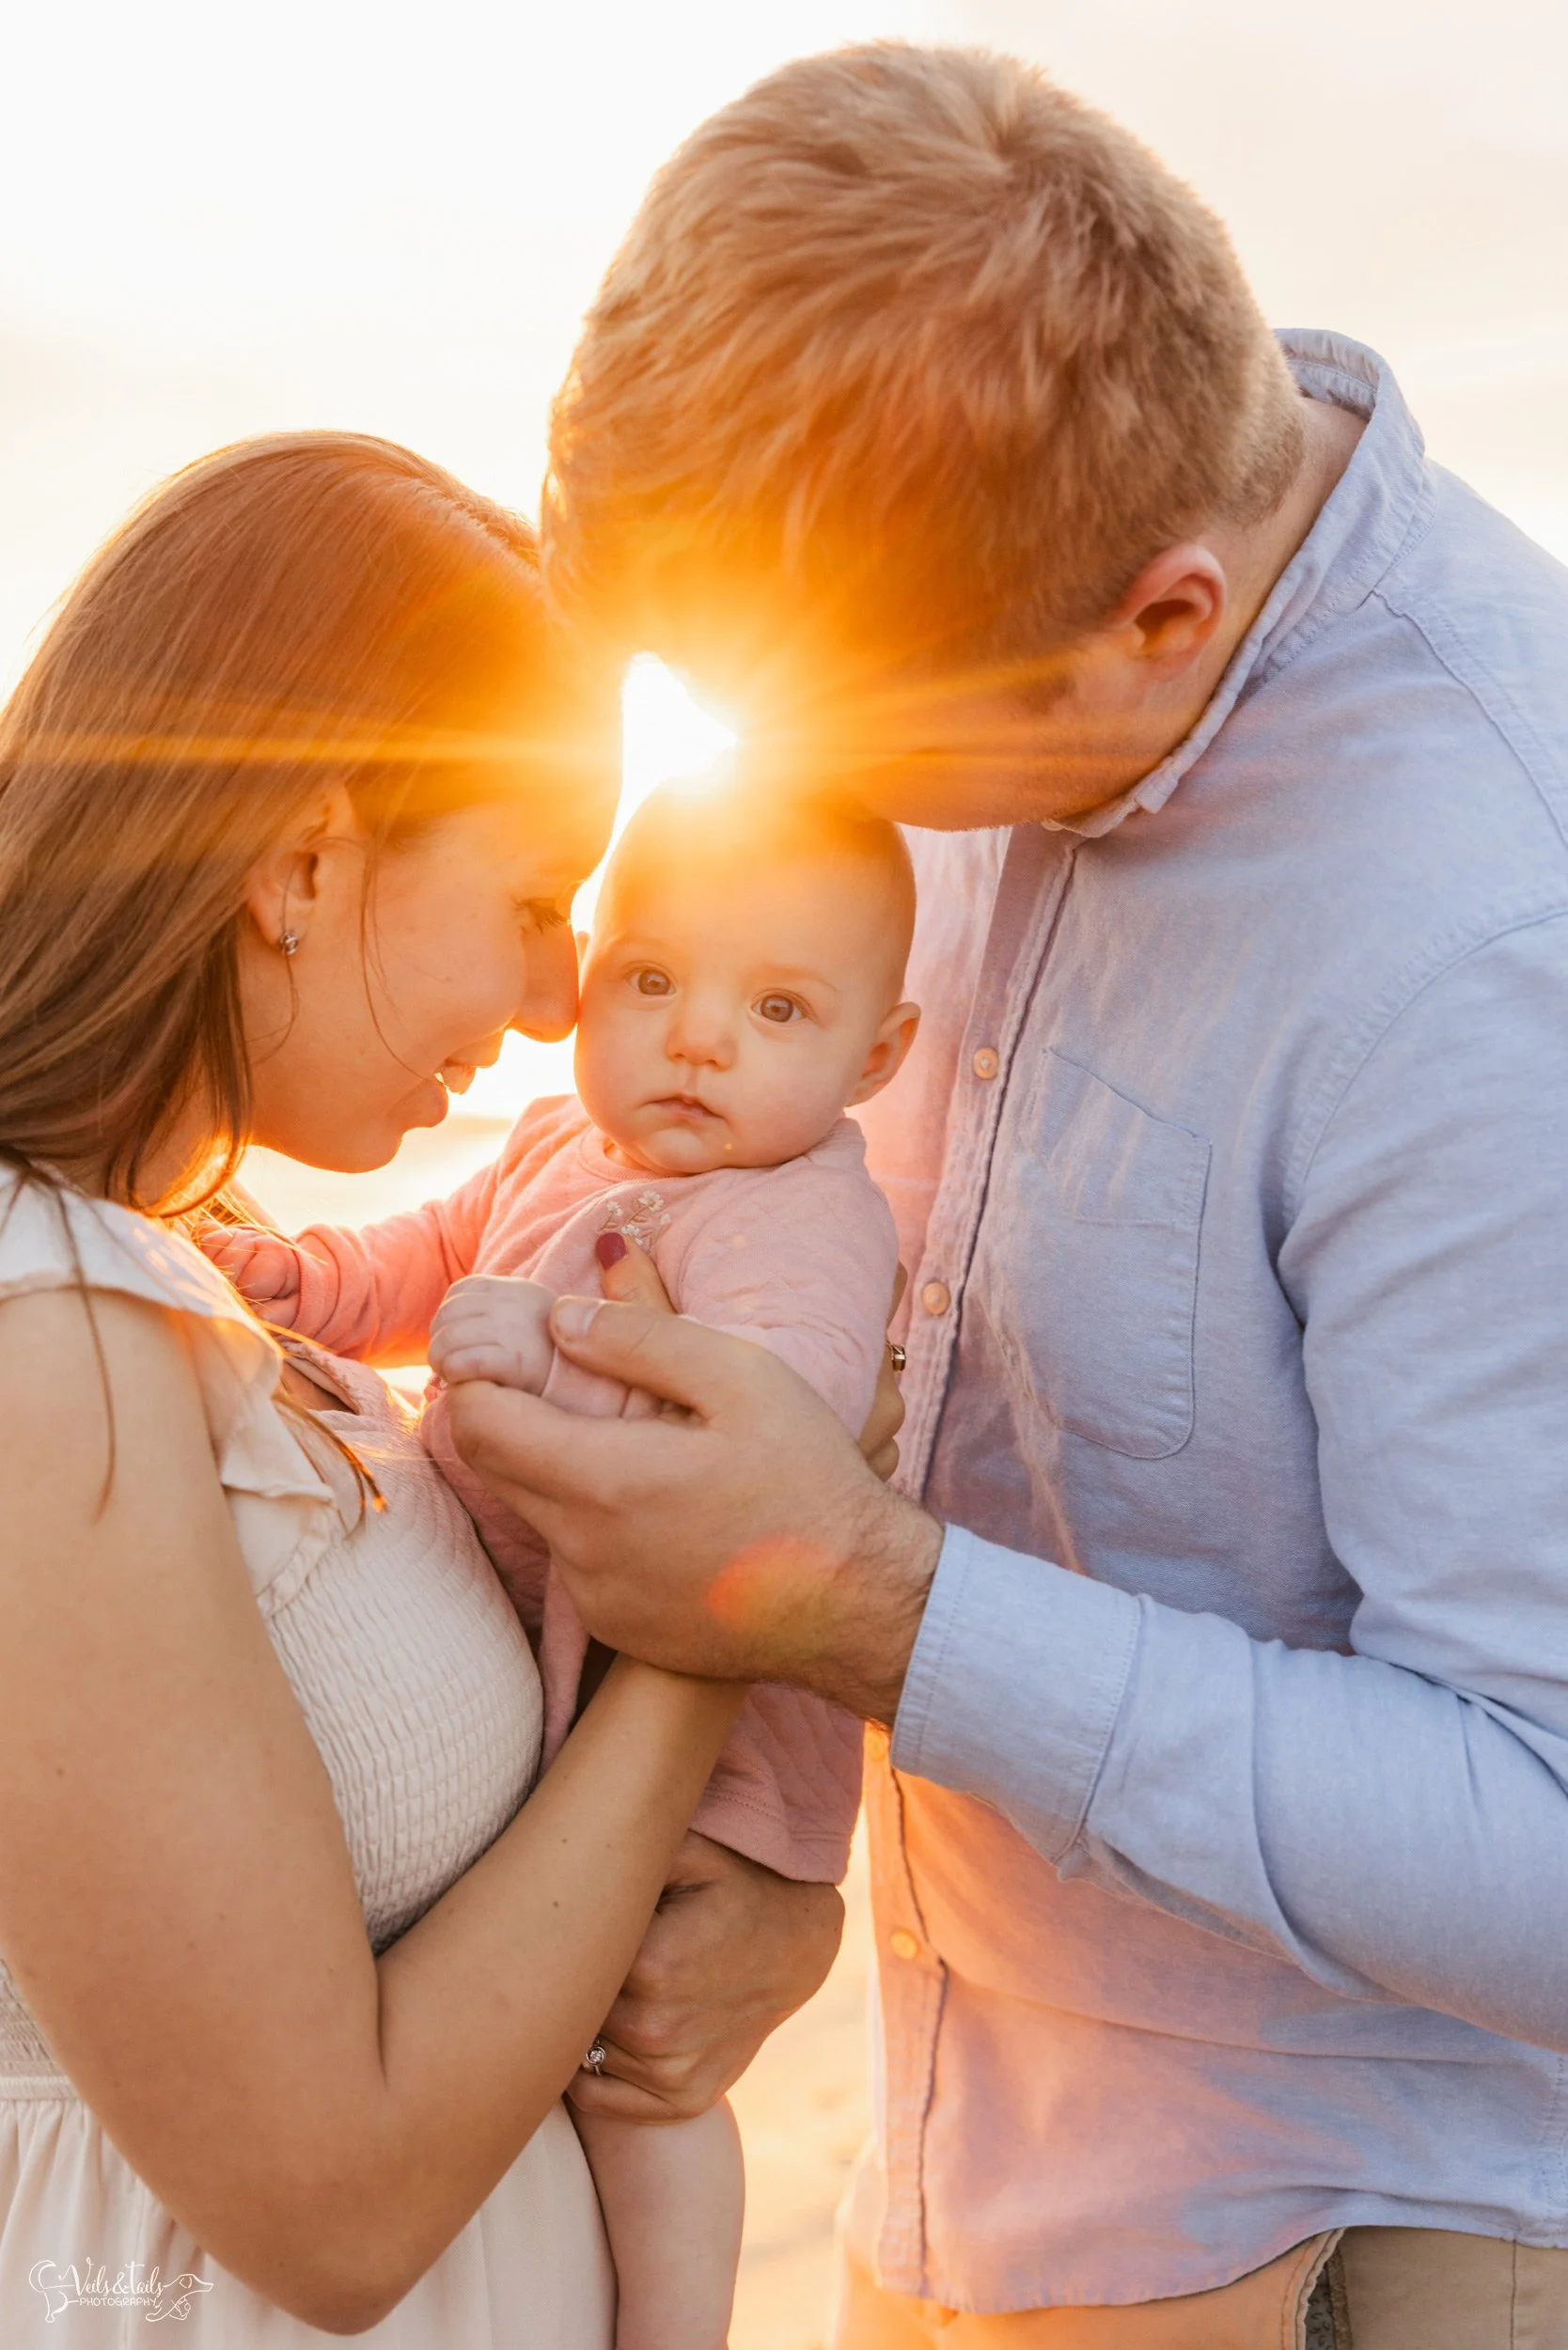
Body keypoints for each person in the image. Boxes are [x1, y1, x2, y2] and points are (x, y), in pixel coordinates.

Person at [449, 43, 1568, 2350]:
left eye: (863, 742)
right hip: (962, 2196)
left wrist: (870, 1607)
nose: (817, 803)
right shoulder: (981, 600)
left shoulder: (1491, 940)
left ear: (1157, 620)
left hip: (1374, 2255)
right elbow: (927, 1355)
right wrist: (797, 1856)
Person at [0, 430, 840, 2349]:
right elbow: (335, 2197)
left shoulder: (183, 1276)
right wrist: (727, 1603)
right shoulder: (45, 1339)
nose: (564, 998)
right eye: (539, 895)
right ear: (303, 859)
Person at [202, 772, 921, 2350]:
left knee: (643, 2076)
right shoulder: (559, 1135)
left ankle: (674, 2329)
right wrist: (303, 1278)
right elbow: (432, 1254)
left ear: (877, 1057)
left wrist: (548, 1339)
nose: (698, 1039)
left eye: (777, 1008)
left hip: (714, 1737)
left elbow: (773, 1422)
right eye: (651, 982)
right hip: (565, 1676)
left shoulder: (797, 1210)